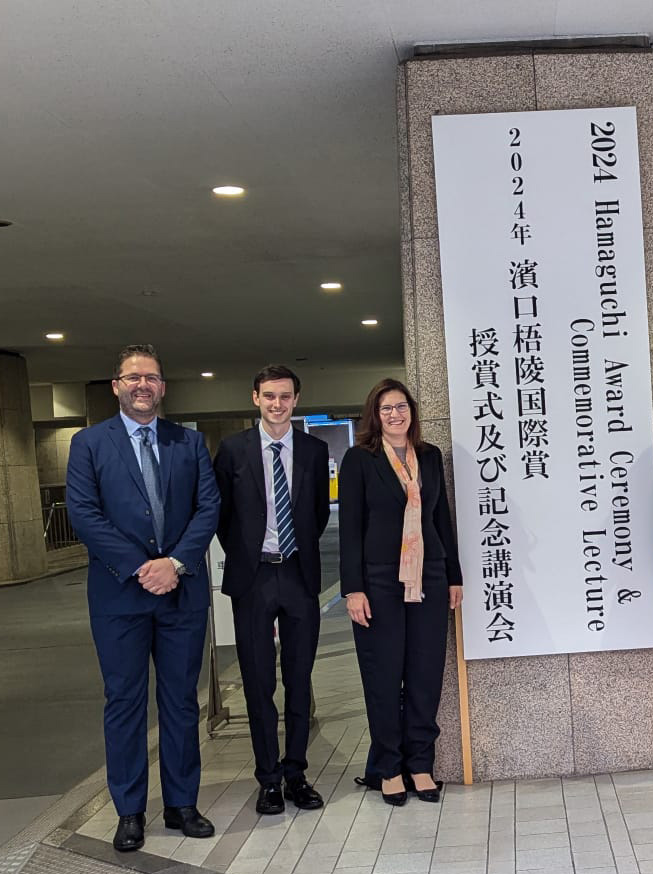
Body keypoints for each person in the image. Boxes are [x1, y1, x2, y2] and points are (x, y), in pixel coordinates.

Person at [66, 344, 220, 852]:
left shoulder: (188, 443)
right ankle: (130, 810)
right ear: (116, 385)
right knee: (125, 702)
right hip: (119, 598)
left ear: (162, 386)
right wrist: (140, 568)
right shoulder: (89, 444)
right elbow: (85, 515)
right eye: (132, 378)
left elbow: (208, 507)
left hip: (181, 593)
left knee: (180, 701)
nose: (142, 385)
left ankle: (181, 803)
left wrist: (173, 564)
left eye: (150, 377)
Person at [339, 379, 463, 806]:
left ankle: (420, 765)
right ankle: (388, 767)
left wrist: (453, 576)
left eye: (401, 406)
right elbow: (351, 529)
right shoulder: (359, 460)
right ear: (375, 415)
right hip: (378, 581)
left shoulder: (428, 457)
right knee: (385, 676)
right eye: (386, 408)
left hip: (428, 576)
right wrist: (352, 589)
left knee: (426, 676)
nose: (395, 414)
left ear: (412, 410)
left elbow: (441, 519)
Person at [213, 365, 331, 815]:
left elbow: (317, 513)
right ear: (255, 398)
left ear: (296, 400)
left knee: (298, 680)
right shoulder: (233, 450)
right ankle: (268, 778)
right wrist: (247, 555)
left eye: (285, 396)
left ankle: (296, 772)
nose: (277, 403)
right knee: (258, 682)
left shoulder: (314, 451)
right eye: (268, 396)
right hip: (254, 579)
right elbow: (223, 517)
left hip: (299, 577)